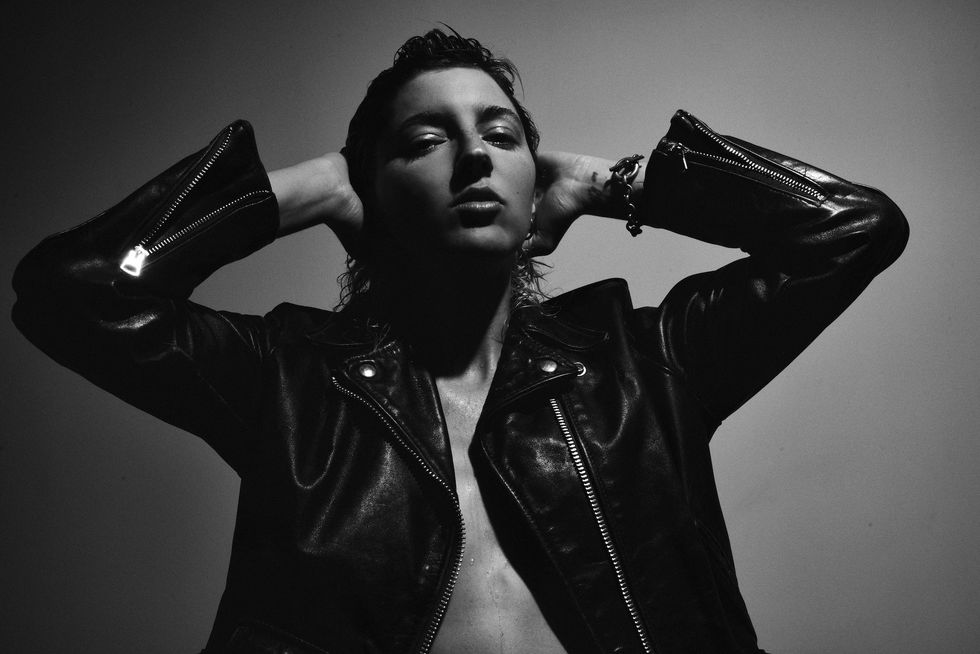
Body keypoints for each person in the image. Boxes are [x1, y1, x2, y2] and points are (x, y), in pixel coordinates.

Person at [12, 27, 908, 654]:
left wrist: (615, 183)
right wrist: (304, 189)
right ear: (370, 192)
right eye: (426, 140)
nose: (475, 157)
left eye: (502, 135)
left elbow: (853, 228)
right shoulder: (289, 382)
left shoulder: (646, 366)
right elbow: (71, 293)